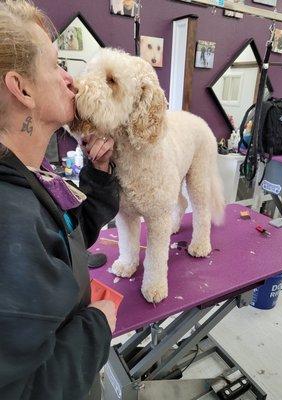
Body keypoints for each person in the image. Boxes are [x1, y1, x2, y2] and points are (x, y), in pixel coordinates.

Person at [0, 1, 119, 399]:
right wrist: (97, 326)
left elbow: (68, 233)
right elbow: (29, 390)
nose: (70, 80)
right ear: (22, 88)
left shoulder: (27, 172)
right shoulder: (8, 221)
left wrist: (98, 175)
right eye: (55, 64)